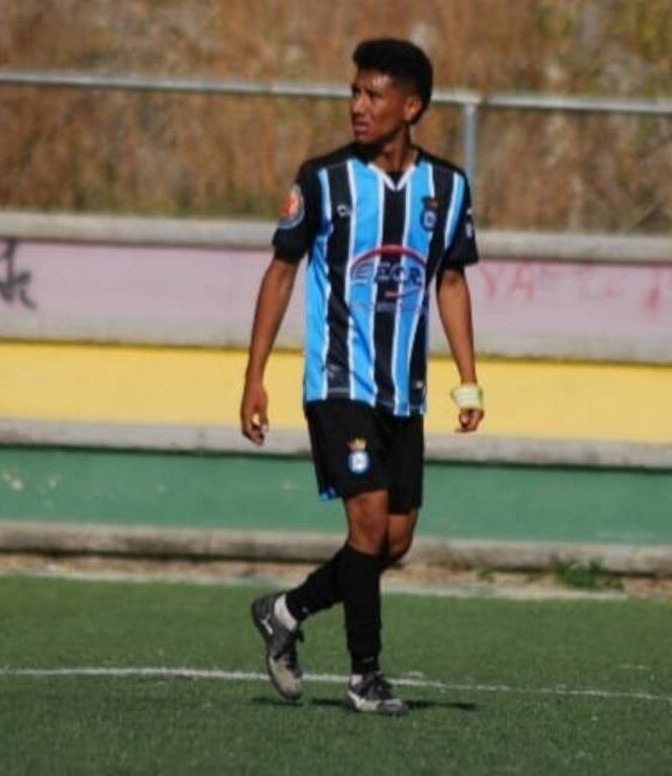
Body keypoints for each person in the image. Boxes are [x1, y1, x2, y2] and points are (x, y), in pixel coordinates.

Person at [240, 37, 484, 716]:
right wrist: (254, 376)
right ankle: (365, 677)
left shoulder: (447, 187)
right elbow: (281, 272)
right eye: (354, 92)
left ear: (412, 107)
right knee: (370, 526)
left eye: (373, 95)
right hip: (338, 382)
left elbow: (453, 282)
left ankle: (285, 612)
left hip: (404, 393)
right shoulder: (322, 180)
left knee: (394, 541)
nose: (357, 106)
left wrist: (469, 379)